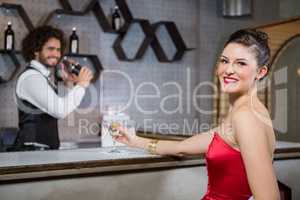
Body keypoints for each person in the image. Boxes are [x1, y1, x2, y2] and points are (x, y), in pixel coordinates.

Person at [115, 29, 280, 200]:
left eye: (241, 63)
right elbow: (182, 148)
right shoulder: (242, 113)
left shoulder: (246, 117)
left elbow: (269, 197)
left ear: (261, 72)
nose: (228, 69)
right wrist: (134, 140)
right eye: (224, 61)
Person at [14, 25, 93, 150]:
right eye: (50, 49)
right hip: (32, 153)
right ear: (36, 50)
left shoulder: (42, 77)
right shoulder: (31, 78)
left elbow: (62, 107)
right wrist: (82, 85)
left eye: (58, 50)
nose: (56, 54)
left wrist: (70, 84)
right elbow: (60, 111)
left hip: (42, 152)